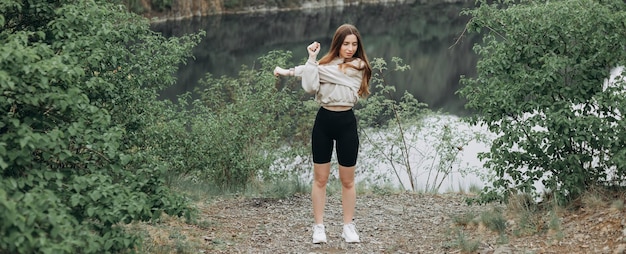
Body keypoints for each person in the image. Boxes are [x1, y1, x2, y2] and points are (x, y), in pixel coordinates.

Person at [273, 24, 372, 244]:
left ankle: (348, 226)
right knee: (320, 179)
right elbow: (310, 86)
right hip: (324, 122)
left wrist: (295, 70)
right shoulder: (323, 65)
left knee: (348, 181)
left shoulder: (359, 65)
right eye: (346, 44)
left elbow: (316, 73)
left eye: (354, 44)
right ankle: (319, 227)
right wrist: (311, 59)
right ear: (338, 43)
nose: (350, 48)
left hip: (346, 122)